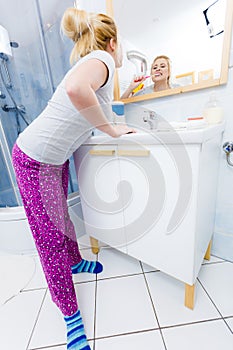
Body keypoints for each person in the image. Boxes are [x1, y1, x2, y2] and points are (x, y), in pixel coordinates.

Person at [12, 7, 135, 350]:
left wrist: (109, 121)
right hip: (33, 160)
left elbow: (84, 106)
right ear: (113, 43)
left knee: (63, 218)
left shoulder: (93, 66)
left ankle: (76, 260)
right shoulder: (103, 60)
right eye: (121, 44)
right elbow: (77, 91)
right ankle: (71, 318)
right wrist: (110, 128)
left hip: (53, 159)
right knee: (49, 239)